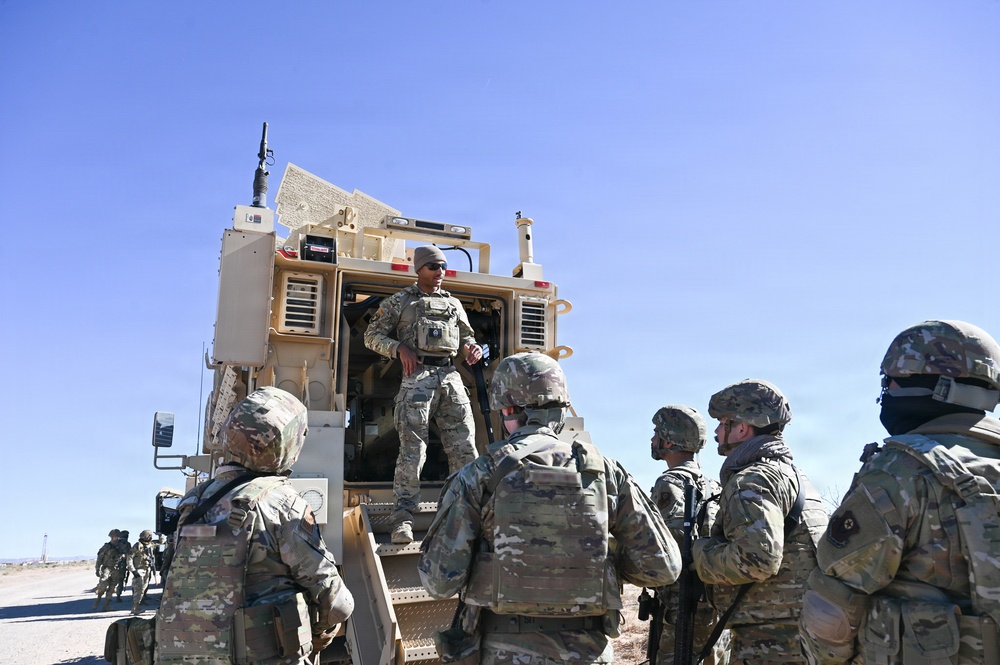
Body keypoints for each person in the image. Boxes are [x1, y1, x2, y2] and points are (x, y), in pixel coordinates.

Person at [418, 352, 681, 664]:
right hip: (589, 653)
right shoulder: (606, 473)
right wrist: (597, 560)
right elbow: (663, 567)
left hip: (505, 651)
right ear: (560, 410)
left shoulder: (479, 475)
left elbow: (439, 582)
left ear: (509, 409)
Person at [800, 320, 1000, 665]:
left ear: (917, 385)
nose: (886, 391)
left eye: (889, 382)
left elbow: (831, 606)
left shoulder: (901, 468)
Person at [156, 386, 354, 665]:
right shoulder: (283, 504)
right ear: (287, 444)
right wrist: (317, 637)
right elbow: (334, 602)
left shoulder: (192, 502)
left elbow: (171, 580)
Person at [692, 379, 828, 664]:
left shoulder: (752, 479)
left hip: (771, 638)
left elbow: (756, 560)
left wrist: (699, 554)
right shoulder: (792, 474)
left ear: (742, 428)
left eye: (722, 422)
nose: (716, 431)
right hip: (803, 628)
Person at [364, 244, 482, 544]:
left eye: (443, 266)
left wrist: (472, 348)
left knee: (466, 449)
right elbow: (371, 335)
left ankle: (467, 514)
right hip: (418, 377)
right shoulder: (400, 301)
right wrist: (397, 348)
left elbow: (467, 336)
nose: (439, 272)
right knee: (412, 451)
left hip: (450, 377)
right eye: (433, 266)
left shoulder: (454, 304)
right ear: (419, 269)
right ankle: (403, 519)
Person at [648, 405, 729, 665]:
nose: (652, 440)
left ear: (669, 441)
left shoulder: (669, 483)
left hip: (683, 605)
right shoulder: (713, 484)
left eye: (656, 433)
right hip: (712, 601)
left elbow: (669, 548)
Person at [94, 529, 125, 611]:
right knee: (103, 584)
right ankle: (98, 599)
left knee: (112, 587)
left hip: (116, 569)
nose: (115, 538)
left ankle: (106, 605)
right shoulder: (106, 547)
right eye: (114, 537)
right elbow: (99, 558)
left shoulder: (121, 546)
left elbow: (125, 556)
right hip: (106, 568)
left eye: (117, 537)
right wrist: (97, 569)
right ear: (111, 537)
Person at [127, 529, 157, 614]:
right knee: (138, 589)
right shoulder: (137, 546)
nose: (150, 537)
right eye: (149, 535)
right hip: (139, 570)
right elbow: (129, 559)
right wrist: (133, 570)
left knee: (143, 589)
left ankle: (137, 606)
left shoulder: (150, 545)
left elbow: (160, 543)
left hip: (147, 570)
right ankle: (135, 607)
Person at [115, 529, 131, 601]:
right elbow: (129, 554)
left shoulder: (115, 543)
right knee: (121, 579)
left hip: (114, 564)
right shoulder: (127, 544)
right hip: (122, 564)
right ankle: (118, 594)